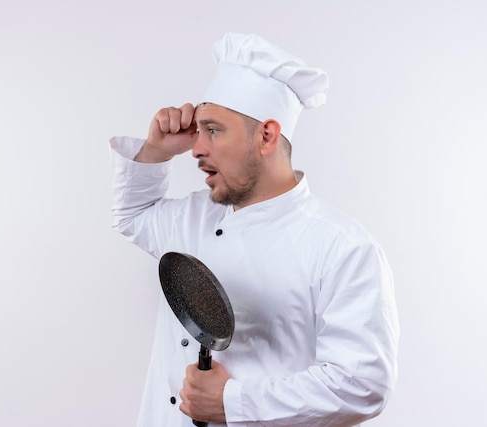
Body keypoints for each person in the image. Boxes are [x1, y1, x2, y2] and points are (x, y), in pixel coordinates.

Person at [109, 32, 399, 427]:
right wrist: (156, 152)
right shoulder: (195, 216)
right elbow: (132, 215)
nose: (195, 148)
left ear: (266, 136)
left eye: (213, 130)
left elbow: (361, 383)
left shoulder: (341, 246)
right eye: (198, 131)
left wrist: (233, 402)